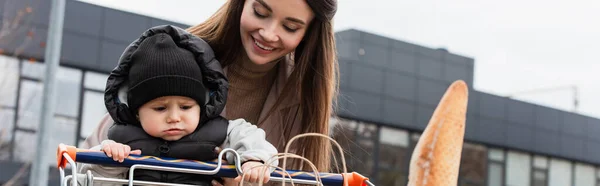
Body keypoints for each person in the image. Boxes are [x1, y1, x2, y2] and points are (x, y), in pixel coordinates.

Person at [81, 0, 338, 185]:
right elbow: (92, 167)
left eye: (290, 27)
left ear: (309, 34)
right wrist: (111, 158)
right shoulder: (176, 60)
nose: (269, 33)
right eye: (260, 12)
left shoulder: (302, 99)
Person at [78, 25, 278, 185]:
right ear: (137, 112)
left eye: (185, 107)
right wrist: (108, 160)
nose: (174, 117)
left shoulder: (218, 131)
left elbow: (250, 136)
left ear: (202, 106)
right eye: (160, 108)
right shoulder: (123, 139)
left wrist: (255, 160)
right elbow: (90, 180)